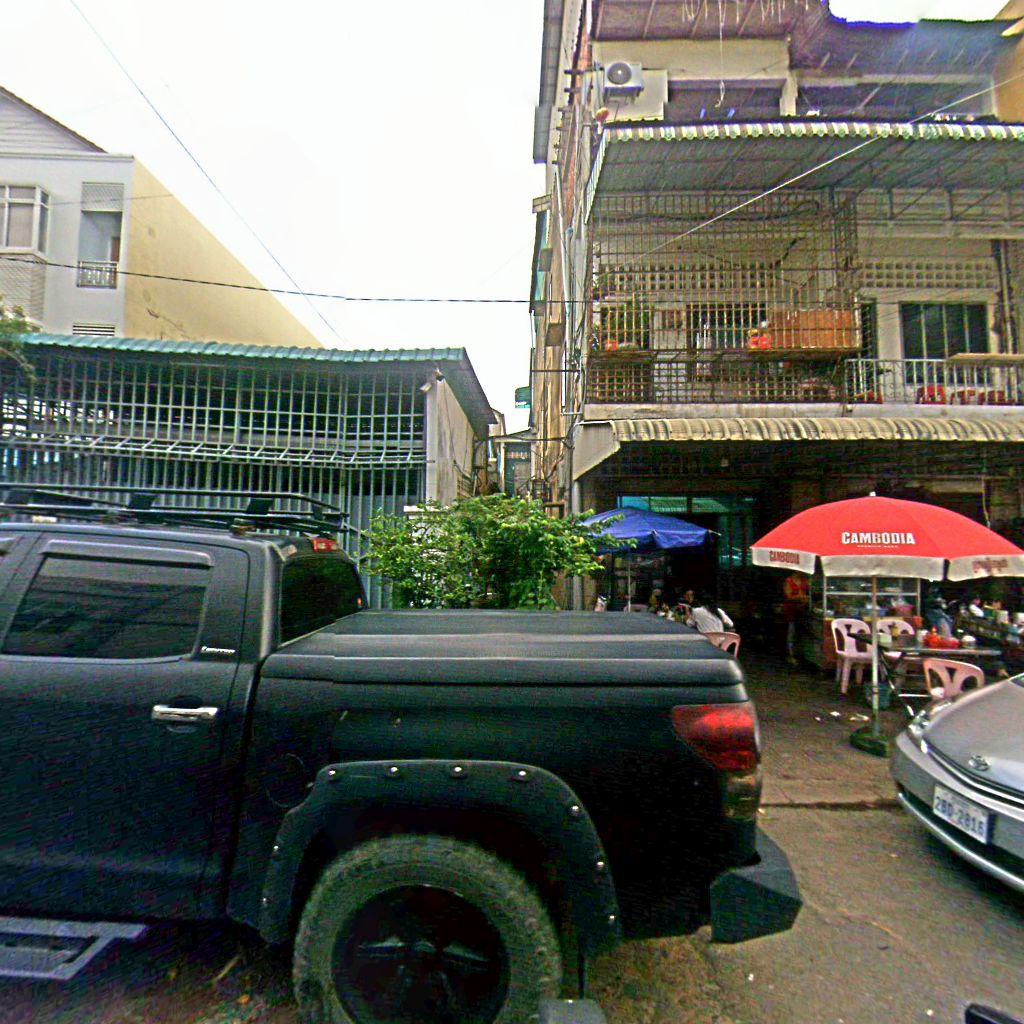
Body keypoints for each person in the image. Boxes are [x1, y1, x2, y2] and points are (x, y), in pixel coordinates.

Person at [782, 571, 810, 665]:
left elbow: (811, 591)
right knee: (791, 633)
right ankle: (790, 655)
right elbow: (788, 596)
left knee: (801, 633)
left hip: (802, 610)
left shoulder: (805, 580)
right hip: (791, 610)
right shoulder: (789, 581)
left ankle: (801, 654)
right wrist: (802, 597)